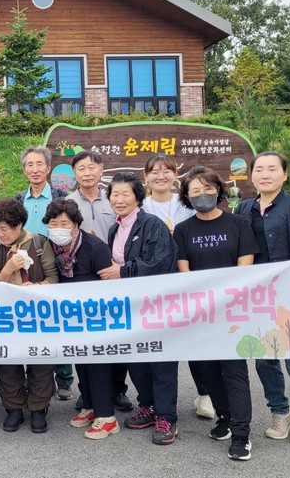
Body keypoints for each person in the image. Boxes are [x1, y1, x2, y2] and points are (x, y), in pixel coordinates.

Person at [235, 151, 290, 446]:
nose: (265, 174)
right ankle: (280, 412)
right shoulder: (244, 208)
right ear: (251, 176)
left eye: (272, 169)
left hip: (289, 292)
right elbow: (237, 247)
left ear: (285, 175)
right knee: (264, 359)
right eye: (259, 169)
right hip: (257, 297)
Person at [174, 166, 259, 461]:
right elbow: (184, 271)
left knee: (234, 372)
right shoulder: (183, 230)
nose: (202, 195)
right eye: (195, 191)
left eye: (208, 188)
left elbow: (244, 268)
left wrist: (224, 297)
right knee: (208, 371)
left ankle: (242, 433)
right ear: (186, 196)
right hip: (200, 313)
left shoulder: (239, 224)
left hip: (232, 312)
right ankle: (224, 417)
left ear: (219, 190)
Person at [99, 172, 179, 445]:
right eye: (115, 194)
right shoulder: (115, 228)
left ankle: (166, 417)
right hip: (128, 306)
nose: (119, 199)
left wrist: (122, 271)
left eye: (126, 194)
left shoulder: (152, 225)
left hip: (155, 304)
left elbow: (160, 262)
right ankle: (148, 405)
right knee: (136, 359)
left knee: (161, 361)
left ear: (138, 197)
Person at [142, 154, 215, 420]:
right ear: (146, 177)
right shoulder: (140, 206)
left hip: (188, 280)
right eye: (154, 171)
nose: (161, 176)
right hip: (153, 287)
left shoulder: (186, 204)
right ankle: (152, 401)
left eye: (167, 171)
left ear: (175, 175)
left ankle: (205, 395)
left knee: (195, 341)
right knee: (155, 344)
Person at [41, 197, 119, 440]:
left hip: (97, 317)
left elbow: (110, 285)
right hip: (71, 319)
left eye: (64, 223)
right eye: (53, 224)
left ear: (75, 225)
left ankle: (107, 417)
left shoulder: (95, 247)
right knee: (81, 363)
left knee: (97, 365)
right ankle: (90, 406)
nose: (58, 229)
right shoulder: (51, 248)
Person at [67, 151, 133, 414]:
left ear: (101, 169)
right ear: (74, 173)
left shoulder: (114, 199)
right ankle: (88, 391)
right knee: (84, 337)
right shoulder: (68, 202)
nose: (87, 173)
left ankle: (118, 389)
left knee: (116, 336)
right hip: (82, 278)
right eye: (81, 168)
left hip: (113, 275)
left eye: (91, 167)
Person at [0, 198, 58, 433]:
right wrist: (7, 270)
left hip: (37, 315)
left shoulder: (38, 242)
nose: (0, 234)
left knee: (41, 361)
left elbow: (53, 277)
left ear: (18, 225)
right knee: (7, 363)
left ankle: (38, 407)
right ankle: (13, 407)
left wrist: (37, 287)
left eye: (4, 229)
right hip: (5, 316)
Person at [14, 146, 73, 400]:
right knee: (31, 322)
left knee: (59, 321)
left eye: (39, 164)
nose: (35, 169)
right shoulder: (18, 200)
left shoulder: (62, 197)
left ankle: (64, 378)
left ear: (48, 168)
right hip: (26, 268)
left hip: (57, 264)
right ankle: (35, 377)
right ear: (24, 169)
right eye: (30, 165)